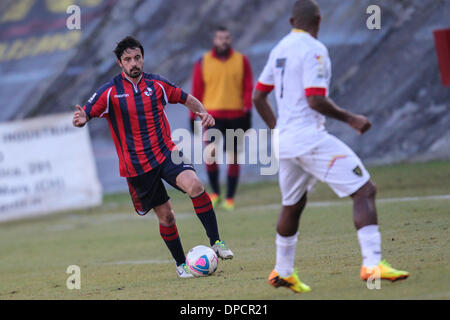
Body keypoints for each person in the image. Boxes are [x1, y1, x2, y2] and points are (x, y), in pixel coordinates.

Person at [252, 0, 409, 293]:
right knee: (365, 189)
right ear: (319, 21)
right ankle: (372, 263)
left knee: (293, 203)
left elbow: (258, 97)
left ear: (291, 22)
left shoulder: (279, 49)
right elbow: (315, 99)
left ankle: (283, 271)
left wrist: (278, 130)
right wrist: (352, 118)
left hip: (285, 143)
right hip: (308, 138)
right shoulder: (314, 49)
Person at [72, 36, 233, 279]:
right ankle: (182, 266)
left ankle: (217, 242)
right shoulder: (109, 92)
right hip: (137, 167)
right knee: (167, 216)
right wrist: (83, 118)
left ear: (143, 58)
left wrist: (203, 112)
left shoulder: (157, 84)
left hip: (166, 152)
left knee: (195, 185)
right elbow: (86, 112)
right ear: (120, 63)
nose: (133, 63)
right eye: (127, 59)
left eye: (137, 57)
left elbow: (184, 97)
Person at [190, 26, 254, 211]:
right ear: (214, 40)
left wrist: (248, 112)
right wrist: (191, 116)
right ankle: (216, 193)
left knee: (233, 157)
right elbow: (196, 91)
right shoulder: (202, 62)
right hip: (212, 117)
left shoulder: (242, 61)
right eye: (220, 38)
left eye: (226, 38)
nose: (223, 41)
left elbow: (248, 87)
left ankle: (230, 198)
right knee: (210, 156)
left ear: (230, 39)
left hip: (236, 116)